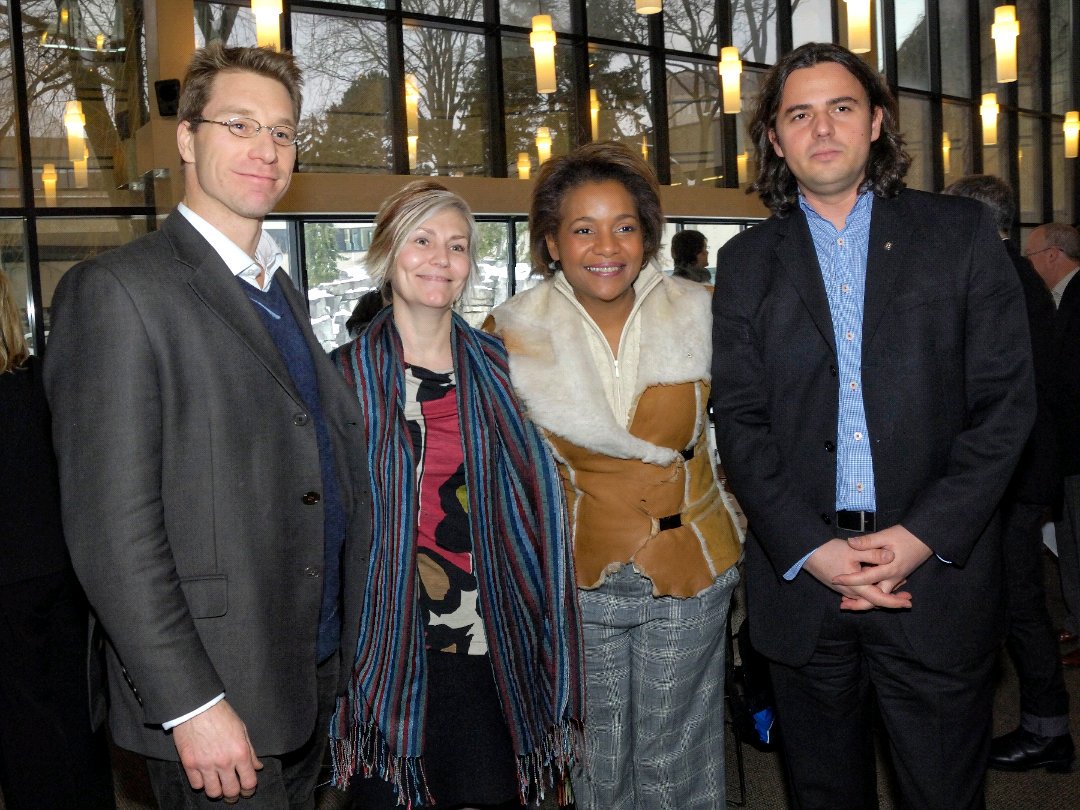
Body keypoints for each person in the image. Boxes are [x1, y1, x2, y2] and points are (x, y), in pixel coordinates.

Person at [44, 43, 372, 809]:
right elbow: (110, 531)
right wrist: (189, 704)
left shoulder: (279, 291)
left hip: (304, 674)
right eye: (240, 124)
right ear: (188, 140)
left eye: (284, 131)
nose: (267, 149)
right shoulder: (119, 292)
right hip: (215, 697)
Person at [711, 43, 1035, 810]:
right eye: (799, 113)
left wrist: (920, 537)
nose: (821, 127)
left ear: (877, 122)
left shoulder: (958, 236)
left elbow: (1006, 406)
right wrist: (814, 549)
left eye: (842, 106)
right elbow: (742, 422)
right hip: (805, 591)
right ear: (776, 140)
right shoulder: (747, 262)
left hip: (934, 582)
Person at [485, 141, 742, 809]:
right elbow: (493, 473)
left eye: (625, 226)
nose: (607, 246)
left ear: (648, 236)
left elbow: (758, 428)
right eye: (583, 228)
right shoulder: (511, 331)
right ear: (550, 241)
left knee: (676, 758)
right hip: (576, 583)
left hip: (688, 568)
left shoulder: (702, 311)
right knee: (593, 764)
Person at [329, 180, 584, 809]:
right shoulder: (340, 379)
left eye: (457, 245)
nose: (440, 259)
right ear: (388, 252)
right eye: (421, 240)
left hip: (492, 641)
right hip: (385, 647)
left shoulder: (508, 369)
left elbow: (544, 496)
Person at [942, 176, 1073, 772]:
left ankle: (1048, 731)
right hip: (1021, 474)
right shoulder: (1017, 276)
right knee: (1011, 601)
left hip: (1012, 478)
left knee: (1019, 603)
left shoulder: (999, 279)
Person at [0, 270, 115, 810]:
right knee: (73, 708)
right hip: (63, 570)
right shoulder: (42, 382)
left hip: (9, 582)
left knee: (21, 721)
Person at [1025, 223, 1080, 669]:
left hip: (1077, 445)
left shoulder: (1076, 298)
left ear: (1051, 254)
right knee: (1070, 540)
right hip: (1067, 448)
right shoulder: (1061, 299)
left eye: (1030, 255)